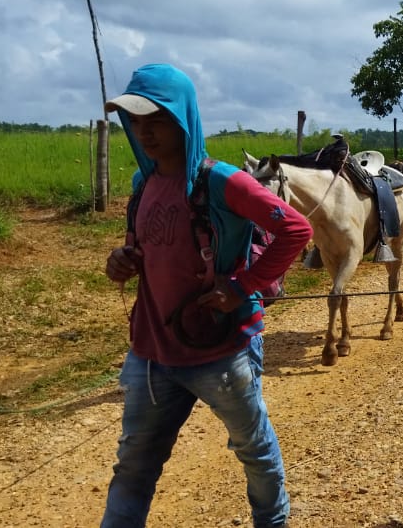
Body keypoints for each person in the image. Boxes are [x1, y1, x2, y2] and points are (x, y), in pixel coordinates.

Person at [100, 63, 311, 528]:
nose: (144, 131)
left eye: (156, 120)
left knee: (253, 451)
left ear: (182, 119)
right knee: (133, 467)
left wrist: (242, 287)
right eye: (135, 121)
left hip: (221, 352)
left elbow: (295, 228)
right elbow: (145, 247)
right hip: (152, 356)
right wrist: (123, 260)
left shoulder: (223, 182)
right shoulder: (143, 183)